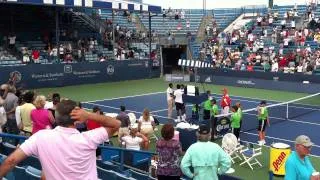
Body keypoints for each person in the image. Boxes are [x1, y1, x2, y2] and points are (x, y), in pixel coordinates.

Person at [0, 99, 121, 179]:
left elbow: (10, 161)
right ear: (77, 120)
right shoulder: (89, 138)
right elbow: (116, 124)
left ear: (56, 119)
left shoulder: (40, 137)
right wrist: (89, 115)